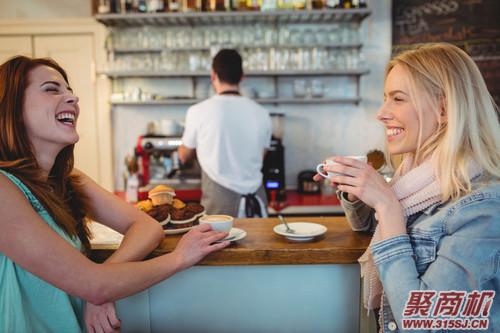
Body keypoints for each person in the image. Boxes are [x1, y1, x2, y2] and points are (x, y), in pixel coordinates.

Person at [0, 56, 230, 333]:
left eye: (70, 91)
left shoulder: (69, 180)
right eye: (52, 89)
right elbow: (94, 285)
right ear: (11, 106)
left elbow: (146, 226)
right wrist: (179, 258)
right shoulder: (4, 188)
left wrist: (102, 283)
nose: (73, 99)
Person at [315, 43, 500, 332]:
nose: (381, 113)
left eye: (397, 99)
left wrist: (388, 206)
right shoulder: (417, 177)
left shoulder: (483, 207)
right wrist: (357, 193)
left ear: (443, 108)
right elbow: (376, 230)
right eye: (385, 98)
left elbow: (424, 323)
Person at [178, 49, 272, 218]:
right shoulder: (261, 112)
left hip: (220, 204)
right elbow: (261, 156)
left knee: (221, 244)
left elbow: (184, 156)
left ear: (213, 75)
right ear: (242, 76)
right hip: (257, 200)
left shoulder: (198, 111)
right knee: (259, 244)